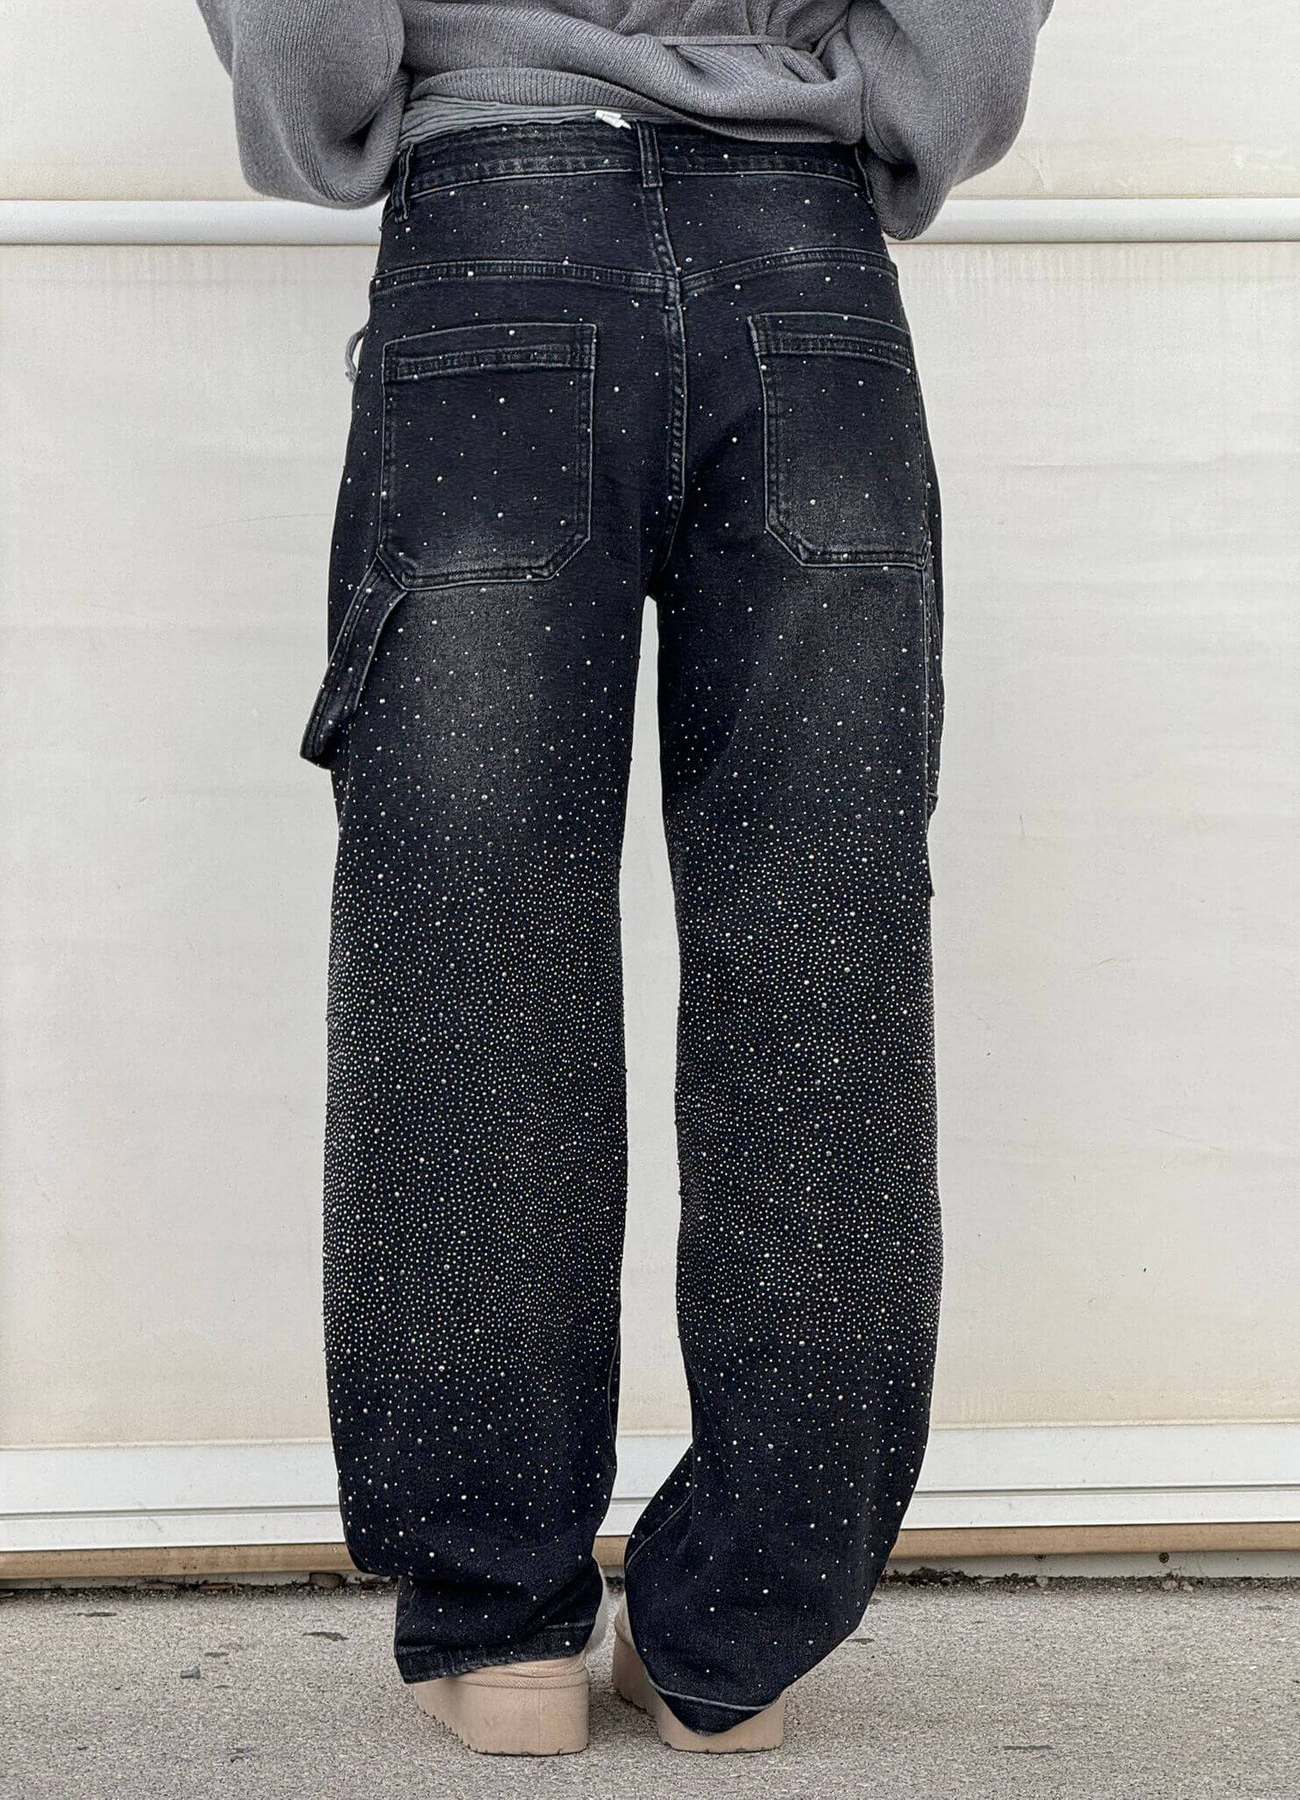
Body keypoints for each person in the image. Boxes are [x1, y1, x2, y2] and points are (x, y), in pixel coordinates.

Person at [196, 0, 1055, 1758]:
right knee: (820, 968)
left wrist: (339, 110)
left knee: (469, 972)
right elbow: (961, 43)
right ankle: (740, 1632)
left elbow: (305, 47)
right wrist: (883, 109)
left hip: (493, 247)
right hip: (804, 270)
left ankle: (499, 1621)